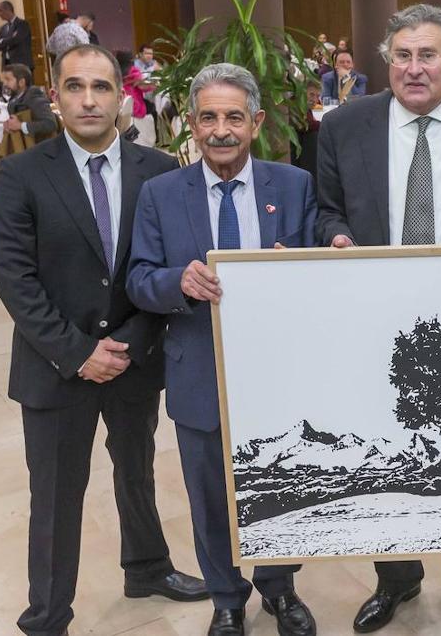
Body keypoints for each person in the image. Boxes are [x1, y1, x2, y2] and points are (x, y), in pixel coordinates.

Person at [316, 2, 441, 634]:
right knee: (388, 444)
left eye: (427, 54)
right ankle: (396, 578)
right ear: (387, 60)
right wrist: (335, 238)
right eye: (401, 55)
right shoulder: (343, 126)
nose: (413, 68)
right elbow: (326, 210)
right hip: (375, 313)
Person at [0, 44, 207, 636]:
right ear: (55, 97)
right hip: (55, 365)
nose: (89, 99)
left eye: (102, 87)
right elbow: (15, 278)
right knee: (57, 492)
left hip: (134, 359)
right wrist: (78, 351)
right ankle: (48, 614)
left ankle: (146, 567)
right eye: (75, 87)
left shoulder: (159, 171)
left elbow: (165, 270)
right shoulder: (22, 173)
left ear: (121, 96)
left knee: (135, 468)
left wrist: (130, 345)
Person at [127, 63, 318, 636]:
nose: (221, 130)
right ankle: (227, 599)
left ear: (256, 122)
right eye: (208, 117)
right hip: (198, 371)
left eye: (234, 117)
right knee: (210, 495)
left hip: (278, 370)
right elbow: (138, 278)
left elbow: (321, 276)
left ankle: (280, 591)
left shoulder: (293, 185)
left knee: (282, 483)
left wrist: (295, 270)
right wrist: (176, 283)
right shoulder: (161, 194)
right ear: (191, 124)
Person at [0, 63, 57, 214]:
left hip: (30, 151)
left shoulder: (34, 97)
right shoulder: (16, 97)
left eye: (8, 80)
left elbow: (49, 124)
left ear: (21, 82)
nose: (5, 83)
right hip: (15, 148)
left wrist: (21, 126)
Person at [0, 0, 34, 70]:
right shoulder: (3, 28)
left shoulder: (22, 24)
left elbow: (16, 40)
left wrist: (2, 41)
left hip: (22, 65)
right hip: (7, 65)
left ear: (8, 10)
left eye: (0, 10)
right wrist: (8, 39)